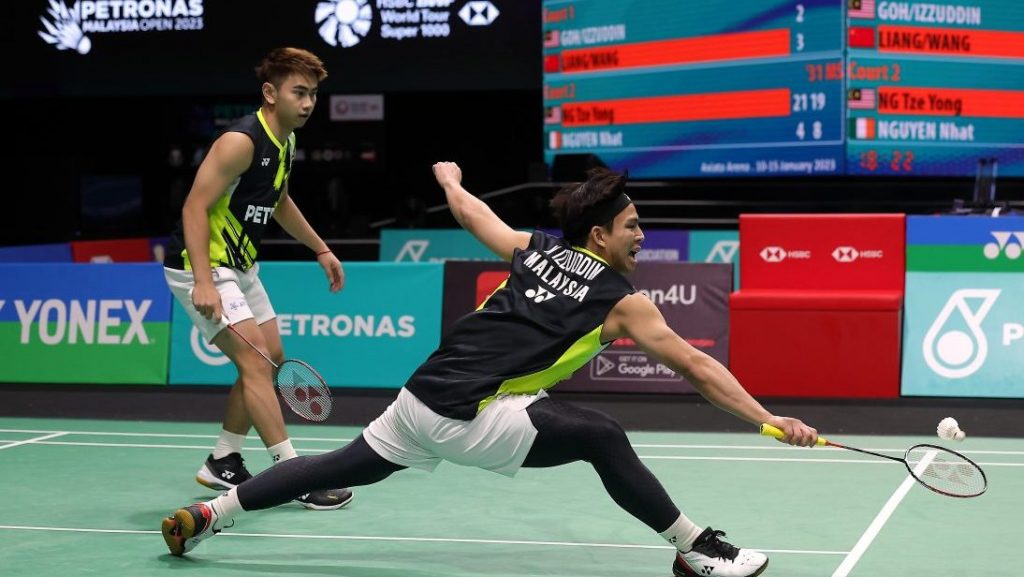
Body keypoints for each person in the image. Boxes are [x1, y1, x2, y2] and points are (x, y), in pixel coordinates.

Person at [162, 162, 819, 576]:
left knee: (339, 465)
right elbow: (698, 366)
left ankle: (209, 511)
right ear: (599, 236)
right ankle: (694, 547)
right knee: (601, 435)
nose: (641, 236)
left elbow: (475, 215)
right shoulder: (622, 301)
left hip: (420, 395)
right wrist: (767, 418)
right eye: (632, 227)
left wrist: (450, 181)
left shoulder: (535, 250)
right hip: (467, 412)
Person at [162, 47, 352, 510]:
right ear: (270, 93)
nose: (307, 103)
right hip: (202, 264)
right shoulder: (240, 141)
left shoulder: (285, 141)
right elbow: (194, 206)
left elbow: (279, 201)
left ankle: (223, 459)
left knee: (272, 357)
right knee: (255, 362)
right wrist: (203, 281)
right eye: (298, 92)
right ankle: (292, 476)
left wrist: (320, 248)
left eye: (313, 94)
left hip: (241, 265)